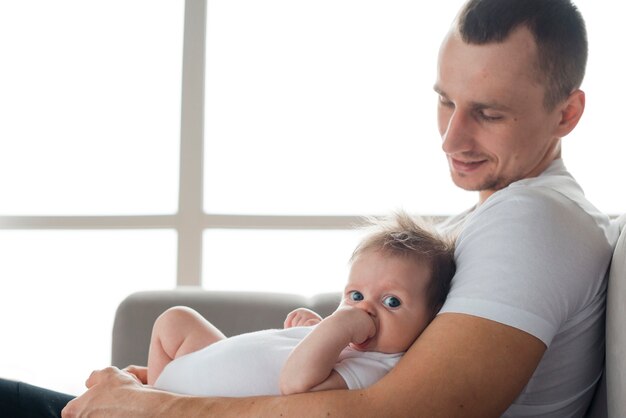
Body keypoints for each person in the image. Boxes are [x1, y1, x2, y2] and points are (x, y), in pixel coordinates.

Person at [0, 0, 620, 416]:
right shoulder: (492, 220)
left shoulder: (536, 224)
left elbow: (393, 413)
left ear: (566, 112)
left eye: (488, 113)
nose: (451, 139)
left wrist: (154, 408)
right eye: (444, 101)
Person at [143, 212, 455, 397]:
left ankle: (151, 402)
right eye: (355, 295)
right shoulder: (344, 340)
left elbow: (295, 382)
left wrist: (335, 327)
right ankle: (150, 393)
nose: (365, 310)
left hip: (200, 401)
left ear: (432, 318)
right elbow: (299, 351)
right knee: (175, 320)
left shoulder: (378, 369)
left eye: (391, 301)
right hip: (201, 365)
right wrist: (316, 327)